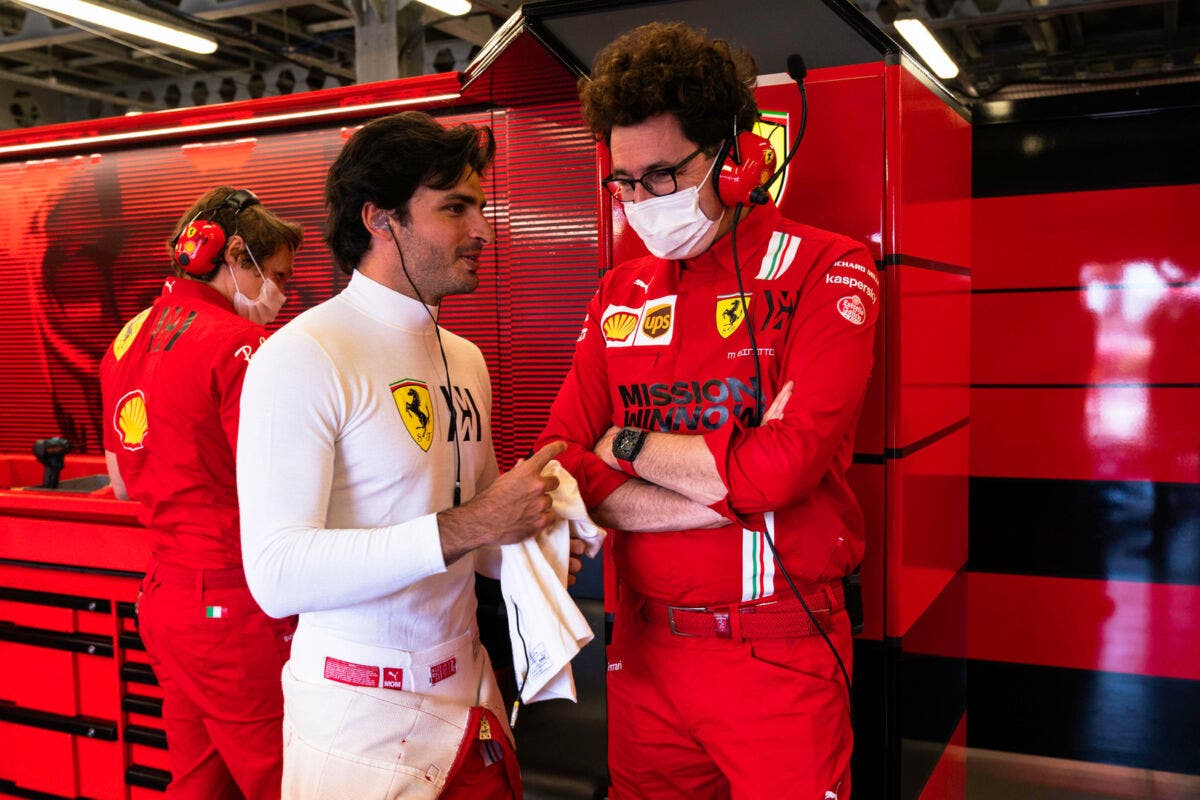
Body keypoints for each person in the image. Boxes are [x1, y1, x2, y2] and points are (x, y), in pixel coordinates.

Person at [535, 22, 880, 800]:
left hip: (779, 655)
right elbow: (560, 454)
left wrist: (620, 440)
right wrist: (726, 492)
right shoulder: (619, 291)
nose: (637, 201)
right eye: (621, 180)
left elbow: (787, 467)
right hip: (645, 655)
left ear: (737, 160)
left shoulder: (829, 269)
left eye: (660, 176)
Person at [236, 111, 567, 800]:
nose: (483, 229)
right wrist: (478, 524)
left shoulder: (466, 358)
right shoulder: (302, 355)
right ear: (381, 219)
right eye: (455, 207)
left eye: (478, 205)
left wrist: (542, 532)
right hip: (359, 725)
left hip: (472, 700)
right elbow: (276, 573)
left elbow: (474, 541)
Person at [100, 186, 303, 799]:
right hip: (234, 607)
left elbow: (119, 481)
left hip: (167, 599)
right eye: (278, 276)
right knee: (284, 780)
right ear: (234, 256)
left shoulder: (127, 339)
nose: (283, 294)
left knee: (199, 782)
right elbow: (285, 491)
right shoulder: (243, 349)